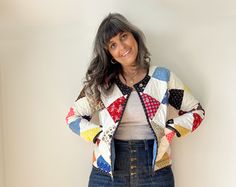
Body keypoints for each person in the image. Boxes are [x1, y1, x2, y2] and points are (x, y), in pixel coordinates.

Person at [65, 13, 205, 187]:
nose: (122, 46)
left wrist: (169, 131)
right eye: (113, 45)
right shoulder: (103, 82)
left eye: (124, 36)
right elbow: (73, 117)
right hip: (107, 172)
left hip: (155, 172)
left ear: (134, 36)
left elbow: (196, 111)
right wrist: (100, 136)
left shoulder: (162, 77)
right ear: (109, 53)